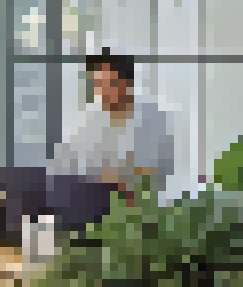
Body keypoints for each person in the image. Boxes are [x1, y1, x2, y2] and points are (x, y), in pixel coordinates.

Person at [56, 50, 173, 200]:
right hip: (91, 189)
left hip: (132, 196)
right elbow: (69, 158)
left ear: (127, 83)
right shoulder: (93, 117)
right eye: (98, 84)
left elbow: (156, 171)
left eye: (109, 84)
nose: (102, 92)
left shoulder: (153, 119)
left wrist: (115, 176)